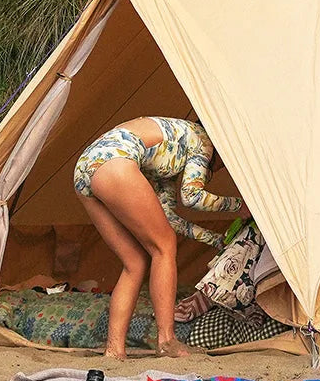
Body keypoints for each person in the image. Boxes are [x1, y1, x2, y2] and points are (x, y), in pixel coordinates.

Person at [73, 116, 246, 358]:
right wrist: (240, 206)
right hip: (116, 159)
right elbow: (192, 196)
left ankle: (114, 350)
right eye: (221, 164)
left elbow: (168, 219)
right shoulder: (204, 141)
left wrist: (214, 239)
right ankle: (167, 341)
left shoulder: (168, 156)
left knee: (135, 262)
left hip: (86, 167)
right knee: (164, 248)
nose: (217, 170)